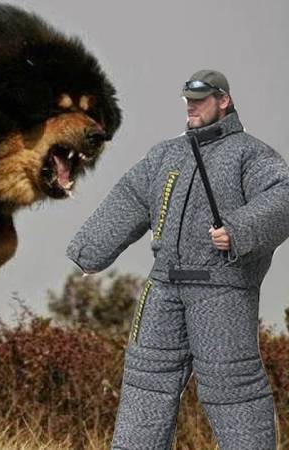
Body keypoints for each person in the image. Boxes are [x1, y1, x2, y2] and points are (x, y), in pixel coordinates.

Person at [65, 69, 289, 449]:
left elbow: (282, 196)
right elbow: (131, 198)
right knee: (144, 385)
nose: (191, 107)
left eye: (200, 101)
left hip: (222, 289)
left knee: (232, 388)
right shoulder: (166, 155)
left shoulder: (250, 155)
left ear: (224, 101)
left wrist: (238, 229)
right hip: (163, 287)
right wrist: (91, 250)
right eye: (188, 100)